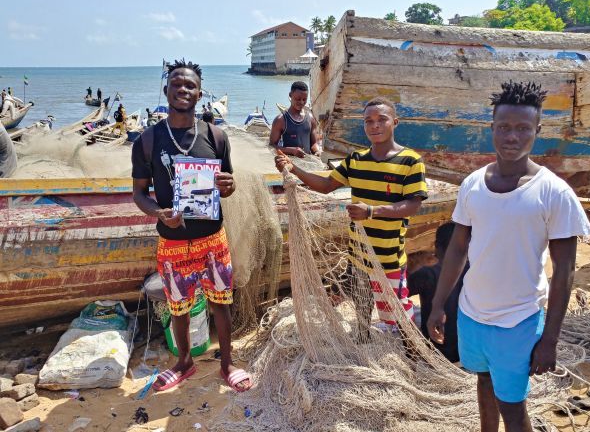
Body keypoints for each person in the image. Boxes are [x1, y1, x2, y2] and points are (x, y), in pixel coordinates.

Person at [427, 81, 590, 432]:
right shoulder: (473, 184)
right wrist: (440, 303)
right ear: (492, 129)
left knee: (514, 409)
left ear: (537, 131)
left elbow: (564, 272)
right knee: (484, 382)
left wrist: (549, 340)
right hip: (472, 314)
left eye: (522, 129)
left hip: (517, 321)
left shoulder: (553, 192)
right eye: (504, 127)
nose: (512, 137)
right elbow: (458, 248)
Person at [131, 59, 251, 393]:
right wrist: (158, 212)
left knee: (222, 304)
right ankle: (184, 363)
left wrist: (230, 186)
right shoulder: (147, 141)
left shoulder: (216, 135)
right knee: (178, 308)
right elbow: (139, 194)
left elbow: (227, 183)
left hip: (213, 239)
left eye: (190, 85)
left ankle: (227, 363)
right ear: (166, 88)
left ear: (199, 93)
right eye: (176, 83)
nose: (183, 89)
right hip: (172, 241)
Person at [275, 96, 427, 336]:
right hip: (358, 253)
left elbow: (412, 205)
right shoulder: (356, 160)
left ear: (395, 122)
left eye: (381, 120)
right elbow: (326, 185)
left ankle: (411, 354)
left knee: (396, 315)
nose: (374, 126)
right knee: (362, 305)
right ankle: (363, 338)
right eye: (369, 121)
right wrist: (294, 169)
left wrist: (372, 211)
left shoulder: (410, 161)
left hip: (388, 258)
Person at [407, 222, 465, 363]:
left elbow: (399, 295)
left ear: (436, 247)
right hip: (468, 351)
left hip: (438, 353)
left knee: (408, 312)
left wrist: (412, 265)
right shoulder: (474, 270)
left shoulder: (427, 274)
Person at [270, 81, 320, 157]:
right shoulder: (280, 120)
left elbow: (314, 143)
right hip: (289, 163)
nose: (301, 102)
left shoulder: (310, 118)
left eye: (304, 99)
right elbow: (272, 147)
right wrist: (292, 151)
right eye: (298, 99)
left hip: (308, 163)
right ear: (290, 95)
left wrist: (317, 151)